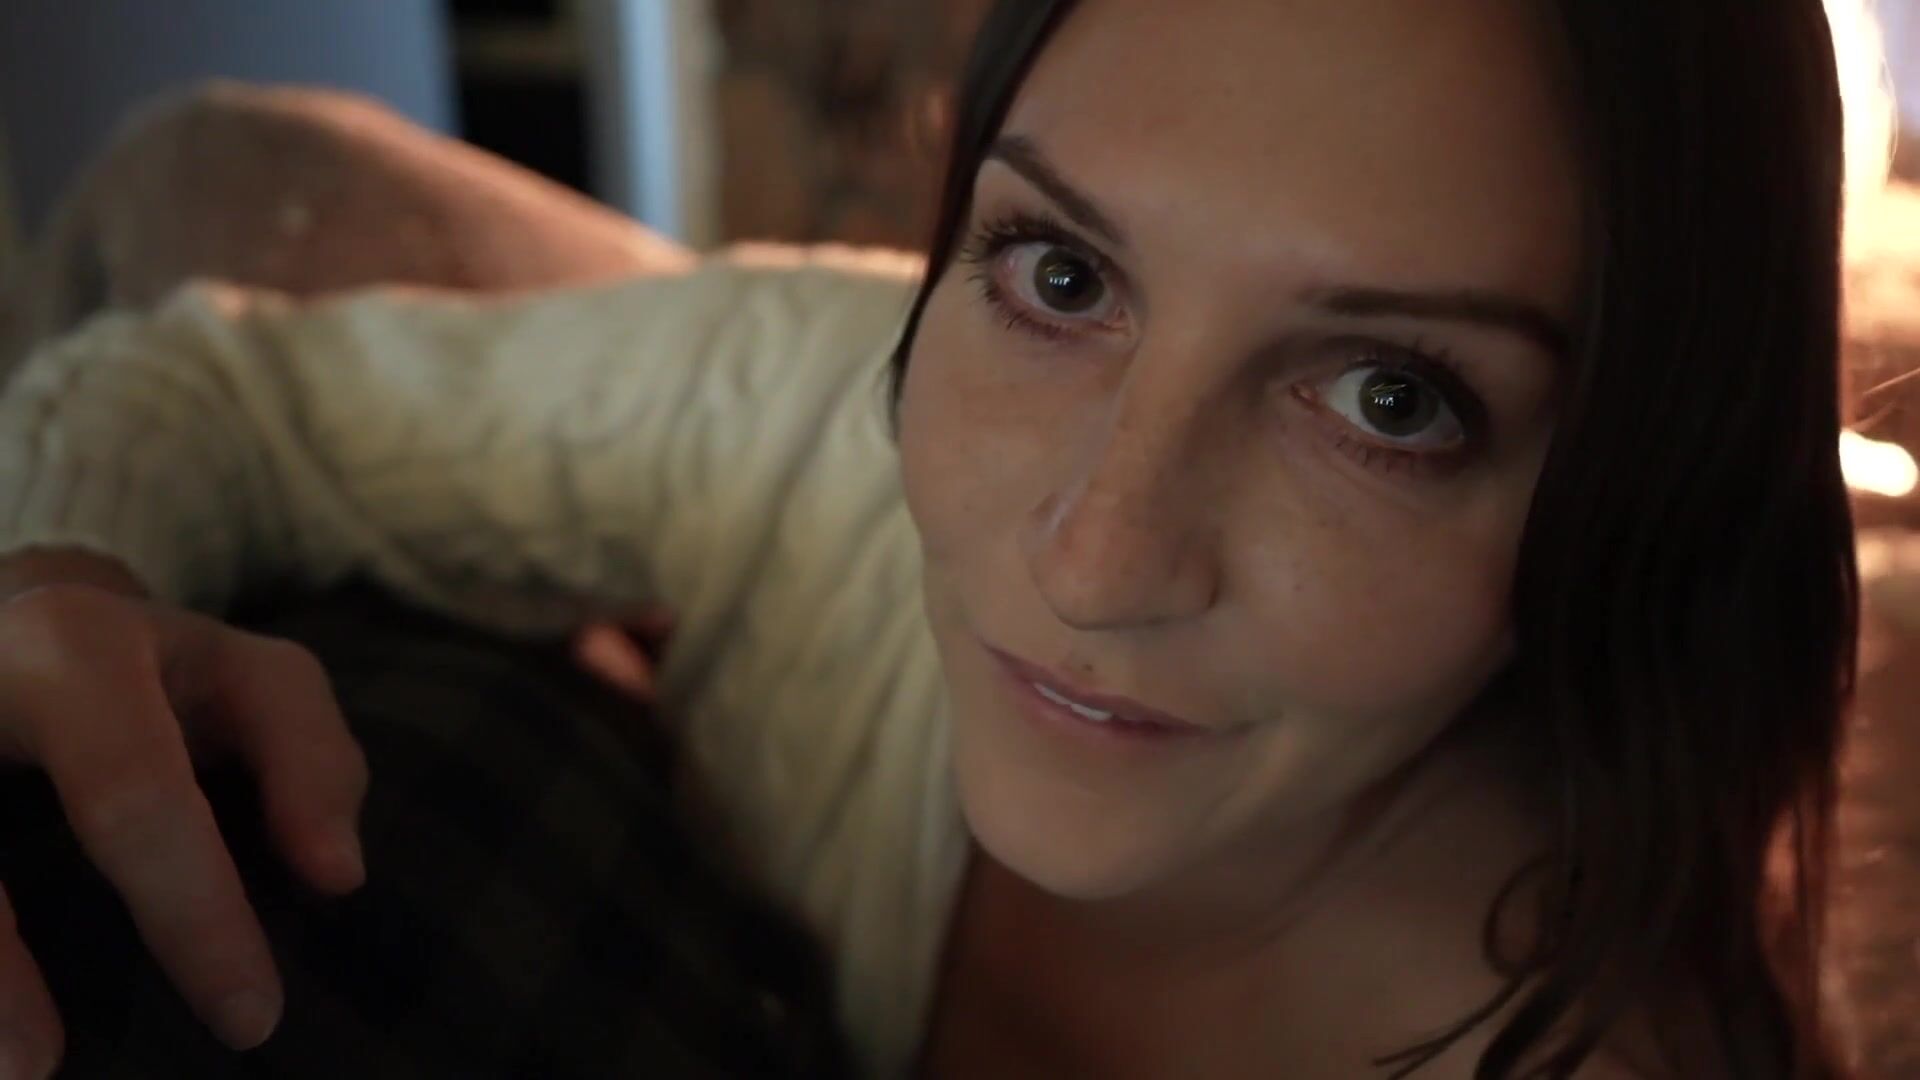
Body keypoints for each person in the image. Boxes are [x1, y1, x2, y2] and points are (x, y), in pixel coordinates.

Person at [0, 0, 1860, 1076]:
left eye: (1389, 397)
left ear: (1641, 487)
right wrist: (61, 582)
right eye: (1062, 275)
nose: (1093, 563)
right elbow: (219, 397)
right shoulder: (815, 418)